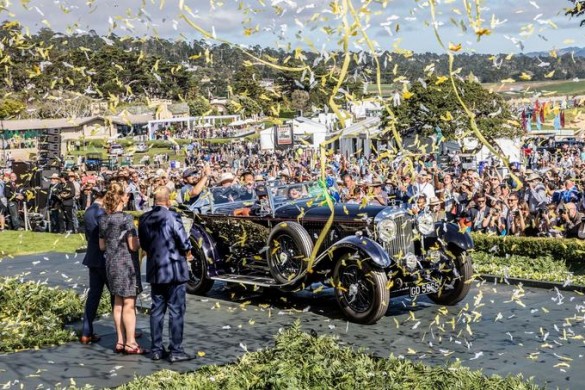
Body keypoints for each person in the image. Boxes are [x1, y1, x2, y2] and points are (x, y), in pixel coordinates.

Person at [139, 186, 194, 362]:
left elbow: (144, 244)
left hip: (155, 268)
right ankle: (176, 350)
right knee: (176, 310)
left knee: (157, 310)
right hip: (174, 268)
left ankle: (156, 349)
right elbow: (183, 240)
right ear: (168, 200)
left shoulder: (144, 218)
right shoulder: (172, 216)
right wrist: (187, 251)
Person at [99, 183, 145, 354]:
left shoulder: (103, 219)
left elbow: (102, 245)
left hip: (111, 263)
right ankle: (131, 342)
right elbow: (133, 246)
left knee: (117, 302)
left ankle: (119, 340)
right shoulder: (126, 219)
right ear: (120, 199)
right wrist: (142, 241)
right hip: (126, 263)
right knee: (129, 304)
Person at [80, 187, 111, 344]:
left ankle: (86, 330)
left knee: (94, 295)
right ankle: (124, 331)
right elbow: (105, 235)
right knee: (116, 294)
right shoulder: (102, 213)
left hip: (92, 256)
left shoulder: (88, 211)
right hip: (104, 257)